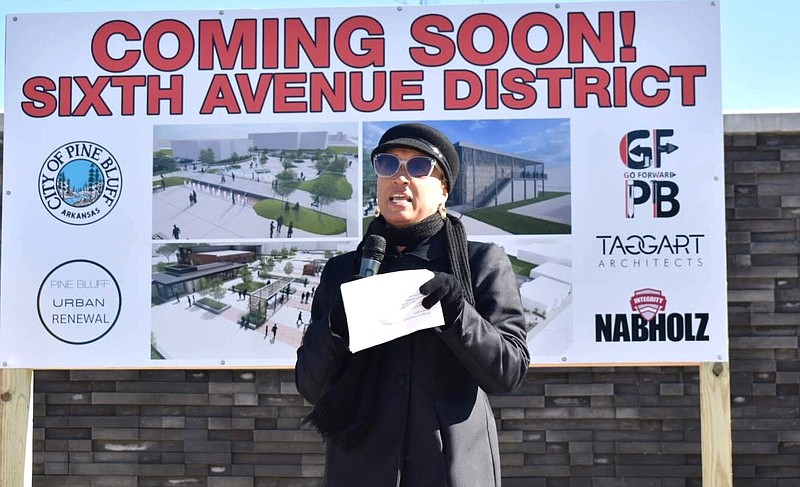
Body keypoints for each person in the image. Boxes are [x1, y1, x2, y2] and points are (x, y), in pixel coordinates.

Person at [295, 123, 530, 486]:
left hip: (451, 469)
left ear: (444, 192)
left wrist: (457, 315)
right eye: (388, 165)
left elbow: (508, 373)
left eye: (419, 167)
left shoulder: (481, 262)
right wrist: (336, 325)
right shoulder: (343, 271)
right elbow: (310, 386)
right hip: (360, 469)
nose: (400, 178)